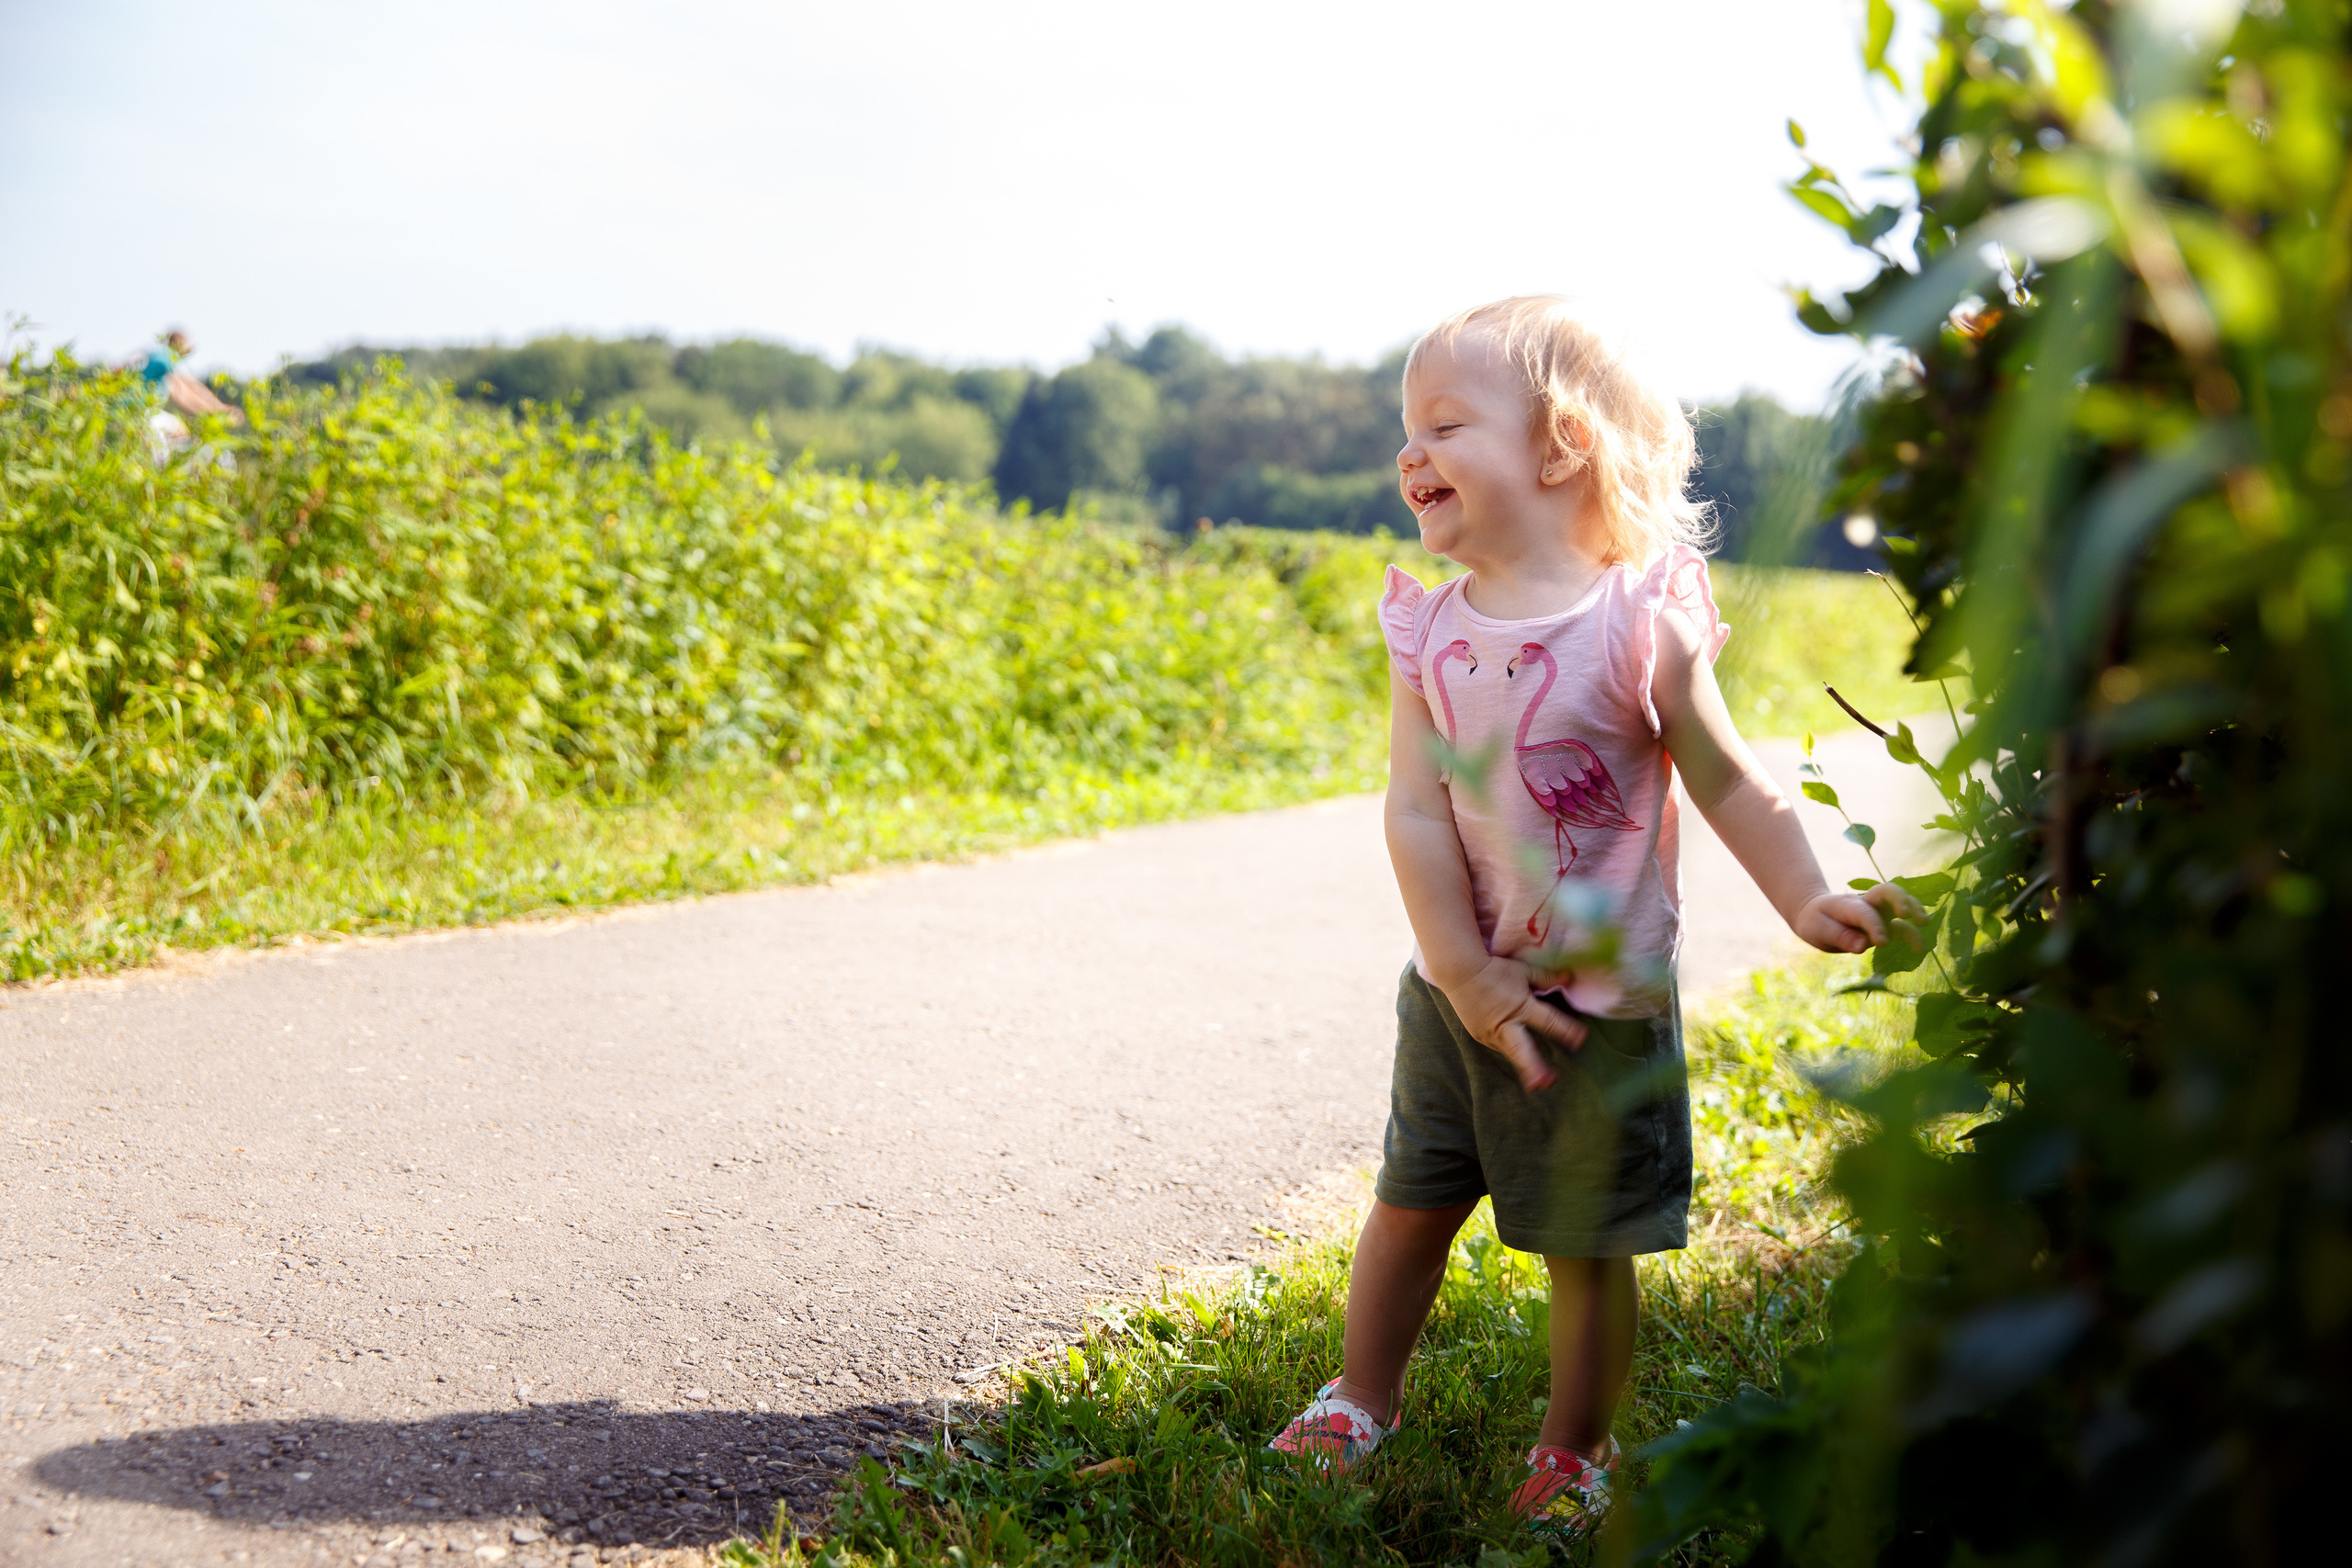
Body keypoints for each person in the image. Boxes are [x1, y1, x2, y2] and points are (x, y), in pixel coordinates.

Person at [1262, 297, 1923, 1542]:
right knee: (1411, 1198)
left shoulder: (1639, 621)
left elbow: (1730, 777)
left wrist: (1807, 892)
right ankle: (1360, 1395)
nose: (1410, 455)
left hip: (1596, 1013)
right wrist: (1460, 972)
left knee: (1588, 1243)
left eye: (1444, 424)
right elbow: (1414, 813)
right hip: (1456, 995)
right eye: (1404, 432)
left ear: (1560, 444)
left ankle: (1574, 1448)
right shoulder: (1430, 631)